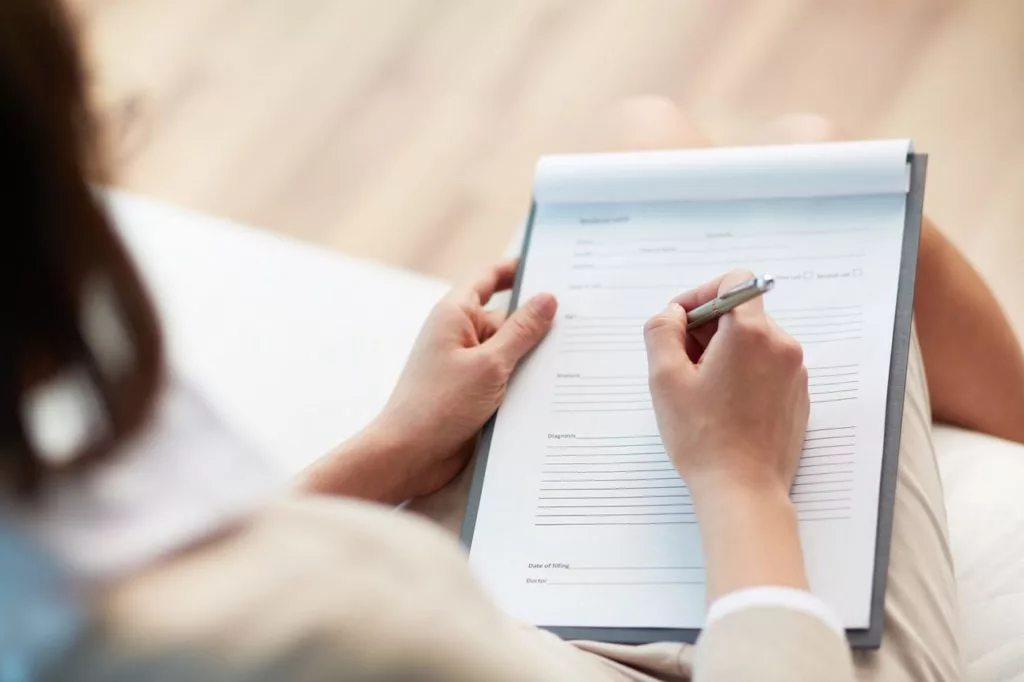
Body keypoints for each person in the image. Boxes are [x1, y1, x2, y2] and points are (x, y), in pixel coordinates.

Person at [3, 2, 1024, 681]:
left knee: (647, 138)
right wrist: (739, 481)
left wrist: (391, 446)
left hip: (519, 623)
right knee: (828, 172)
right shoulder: (274, 630)